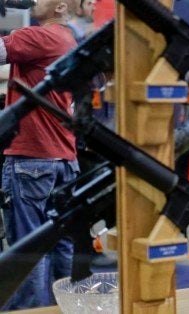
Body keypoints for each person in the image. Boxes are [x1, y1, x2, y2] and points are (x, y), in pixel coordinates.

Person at [0, 0, 79, 309]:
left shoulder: (39, 36)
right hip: (62, 158)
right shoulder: (68, 39)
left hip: (32, 159)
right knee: (61, 245)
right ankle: (64, 306)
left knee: (28, 250)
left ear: (60, 6)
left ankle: (31, 310)